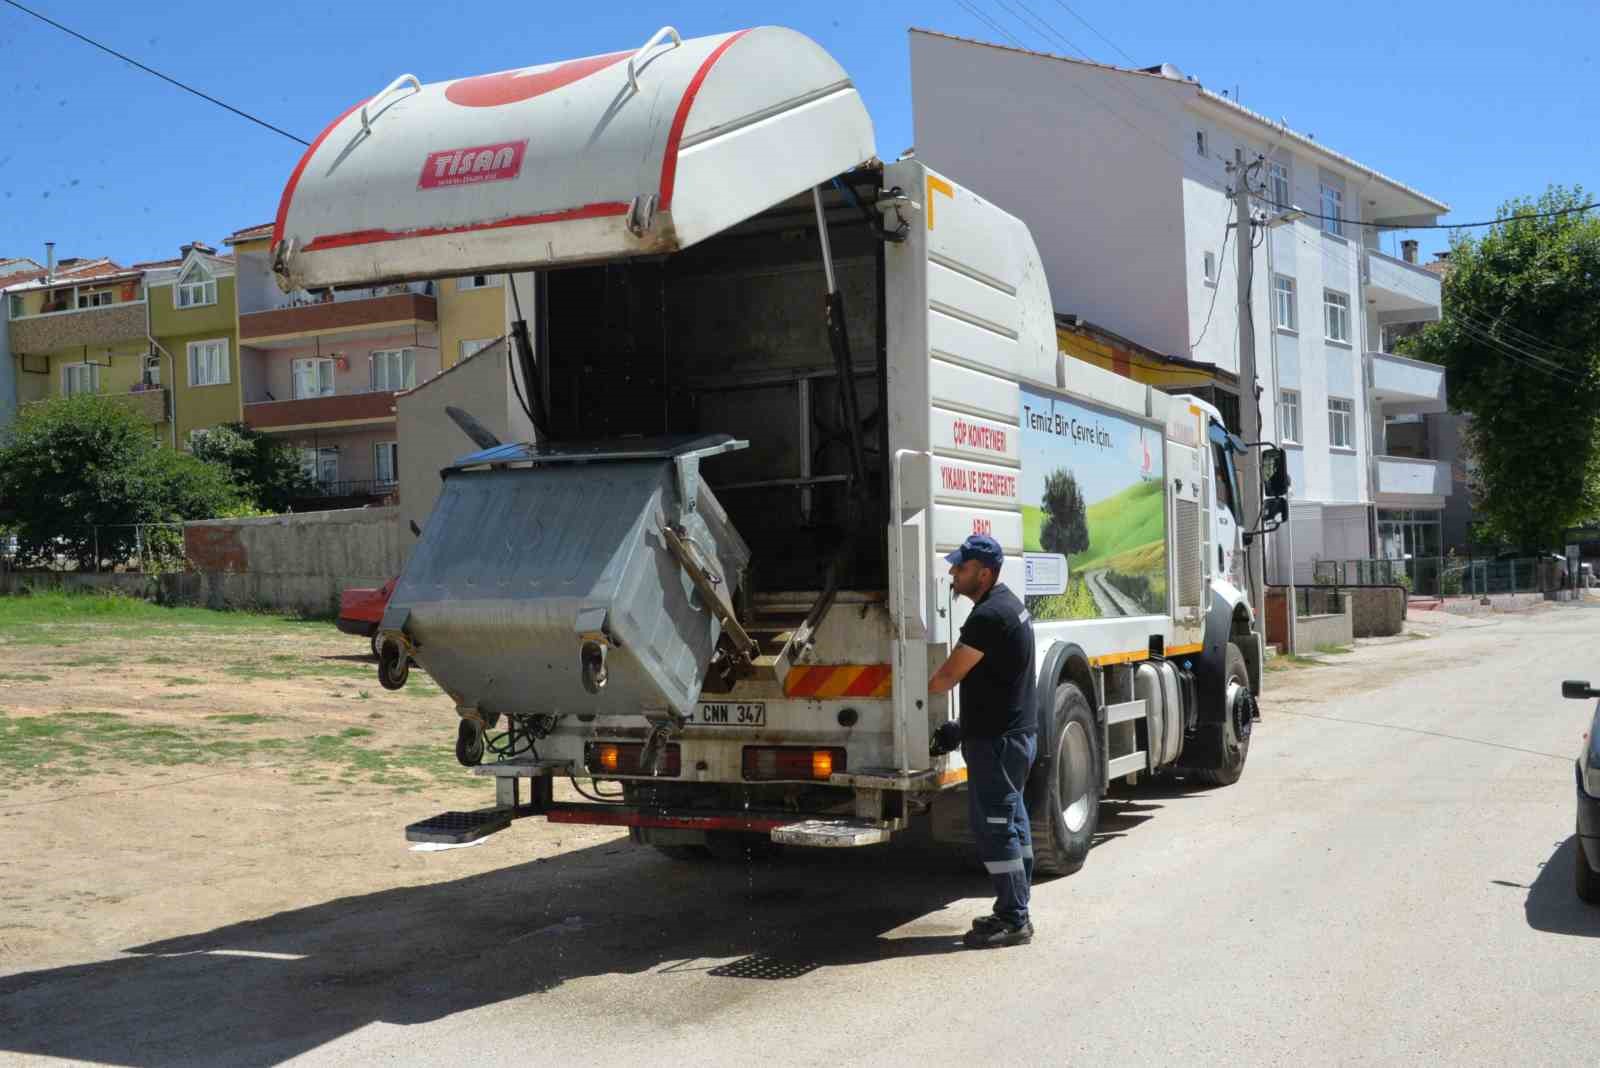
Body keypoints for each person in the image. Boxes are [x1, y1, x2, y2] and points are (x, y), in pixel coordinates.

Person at [927, 534, 1038, 948]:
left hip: (999, 742)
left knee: (995, 828)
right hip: (1012, 735)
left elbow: (946, 677)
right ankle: (1016, 907)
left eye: (961, 567)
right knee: (1012, 822)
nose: (953, 574)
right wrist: (964, 726)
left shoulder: (990, 616)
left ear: (984, 572)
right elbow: (994, 683)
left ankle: (1014, 918)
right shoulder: (1008, 605)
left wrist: (905, 691)